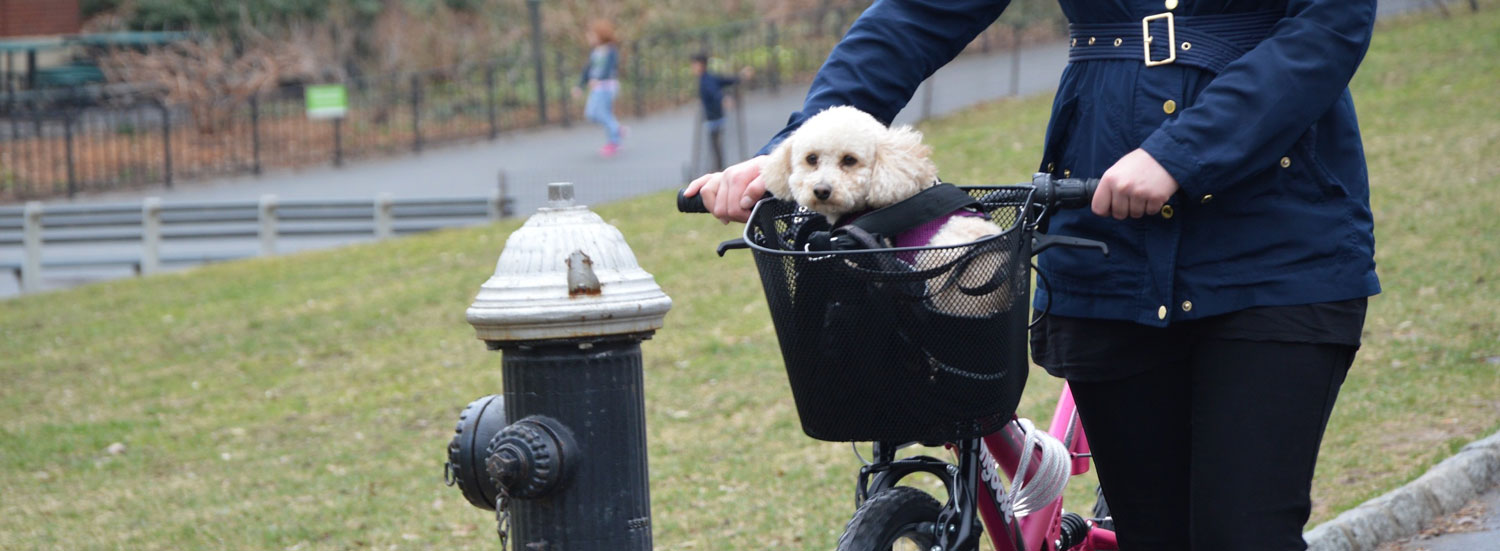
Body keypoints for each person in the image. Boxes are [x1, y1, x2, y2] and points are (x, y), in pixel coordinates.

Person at [684, 1, 1380, 550]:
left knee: (1242, 534)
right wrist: (793, 145)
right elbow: (915, 15)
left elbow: (1330, 23)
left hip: (1278, 245)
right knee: (1154, 535)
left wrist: (1182, 154)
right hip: (1107, 245)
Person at [691, 53, 752, 171]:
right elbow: (725, 81)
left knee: (716, 147)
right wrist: (741, 76)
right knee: (715, 147)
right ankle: (718, 167)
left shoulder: (706, 80)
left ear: (701, 65)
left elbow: (714, 92)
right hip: (713, 118)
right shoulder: (708, 78)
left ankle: (719, 169)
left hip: (714, 119)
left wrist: (723, 99)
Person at [574, 19, 624, 157]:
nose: (589, 38)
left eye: (592, 35)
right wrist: (580, 86)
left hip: (607, 87)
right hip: (597, 87)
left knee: (601, 113)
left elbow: (609, 68)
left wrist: (599, 79)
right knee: (593, 113)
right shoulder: (595, 52)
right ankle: (616, 128)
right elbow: (587, 70)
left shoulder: (610, 50)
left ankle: (614, 140)